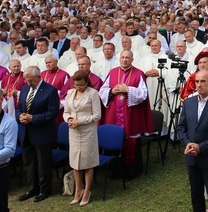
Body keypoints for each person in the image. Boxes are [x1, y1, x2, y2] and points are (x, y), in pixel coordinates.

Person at [176, 70, 208, 212]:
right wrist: (187, 144)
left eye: (203, 81)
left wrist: (201, 147)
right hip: (191, 157)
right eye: (197, 82)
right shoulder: (188, 103)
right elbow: (181, 127)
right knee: (195, 194)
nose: (199, 85)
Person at [99, 49, 153, 179]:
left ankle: (131, 170)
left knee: (131, 140)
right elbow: (102, 90)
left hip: (130, 114)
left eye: (127, 58)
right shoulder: (112, 72)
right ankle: (114, 170)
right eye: (122, 57)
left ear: (132, 59)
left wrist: (127, 89)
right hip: (114, 113)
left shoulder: (138, 73)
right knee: (113, 139)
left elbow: (143, 93)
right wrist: (112, 90)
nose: (124, 60)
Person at [17, 65, 60, 203]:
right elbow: (19, 107)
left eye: (31, 81)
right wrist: (20, 116)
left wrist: (33, 118)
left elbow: (53, 112)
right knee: (29, 162)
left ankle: (44, 189)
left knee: (43, 163)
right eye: (27, 81)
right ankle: (31, 188)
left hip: (42, 132)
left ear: (38, 77)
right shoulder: (24, 89)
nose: (28, 83)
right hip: (26, 132)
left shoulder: (50, 90)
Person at [63, 70, 101, 206]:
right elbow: (66, 112)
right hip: (73, 131)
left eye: (81, 85)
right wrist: (69, 120)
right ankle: (78, 190)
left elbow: (97, 115)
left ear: (86, 82)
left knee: (87, 162)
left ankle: (87, 191)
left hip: (87, 132)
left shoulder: (93, 93)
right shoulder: (70, 93)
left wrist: (80, 121)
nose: (78, 88)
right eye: (76, 85)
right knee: (75, 162)